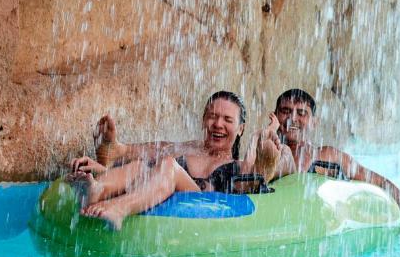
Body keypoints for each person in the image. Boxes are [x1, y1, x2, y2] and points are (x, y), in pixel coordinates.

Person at [273, 88, 400, 247]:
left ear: (314, 122)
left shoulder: (328, 157)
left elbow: (381, 183)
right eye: (285, 111)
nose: (292, 118)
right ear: (275, 117)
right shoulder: (265, 152)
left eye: (302, 113)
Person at [67, 91, 283, 230]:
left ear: (241, 128)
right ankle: (98, 189)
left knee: (170, 165)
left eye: (227, 120)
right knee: (140, 166)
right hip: (161, 187)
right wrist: (105, 163)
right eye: (212, 116)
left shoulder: (240, 165)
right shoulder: (187, 147)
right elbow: (145, 155)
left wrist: (263, 144)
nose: (218, 124)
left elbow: (261, 173)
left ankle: (120, 209)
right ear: (203, 120)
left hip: (201, 211)